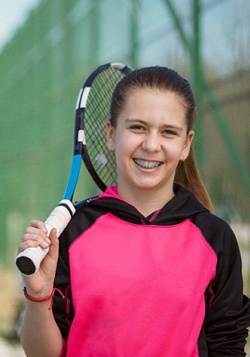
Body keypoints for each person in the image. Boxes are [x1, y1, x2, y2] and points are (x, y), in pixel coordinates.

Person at [17, 66, 250, 356]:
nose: (151, 145)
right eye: (138, 127)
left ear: (186, 144)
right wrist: (38, 296)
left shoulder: (215, 238)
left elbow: (227, 345)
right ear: (111, 134)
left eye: (168, 132)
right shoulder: (72, 232)